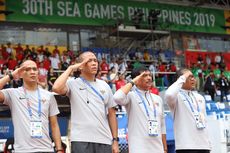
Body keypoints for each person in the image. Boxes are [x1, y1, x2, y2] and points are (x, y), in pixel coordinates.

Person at [52, 51, 119, 153]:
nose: (94, 63)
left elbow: (112, 114)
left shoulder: (104, 85)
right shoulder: (72, 83)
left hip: (104, 139)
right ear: (80, 66)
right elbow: (56, 88)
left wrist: (115, 140)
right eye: (89, 61)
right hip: (80, 139)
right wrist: (71, 68)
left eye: (95, 60)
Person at [0, 60, 63, 153]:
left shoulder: (48, 95)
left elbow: (54, 125)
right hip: (22, 150)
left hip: (46, 149)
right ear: (20, 74)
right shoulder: (13, 93)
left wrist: (59, 149)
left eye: (34, 69)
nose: (32, 72)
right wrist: (11, 75)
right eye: (27, 69)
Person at [113, 66, 167, 153]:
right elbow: (117, 97)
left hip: (158, 148)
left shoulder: (158, 99)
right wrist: (133, 81)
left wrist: (164, 148)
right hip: (138, 148)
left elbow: (162, 125)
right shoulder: (131, 96)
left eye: (149, 75)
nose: (149, 78)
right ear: (137, 79)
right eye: (144, 75)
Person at [165, 68, 211, 153]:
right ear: (180, 79)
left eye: (193, 77)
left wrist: (208, 143)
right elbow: (169, 94)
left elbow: (204, 121)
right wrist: (182, 78)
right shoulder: (176, 97)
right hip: (186, 146)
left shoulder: (199, 97)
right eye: (189, 77)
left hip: (203, 145)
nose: (193, 79)